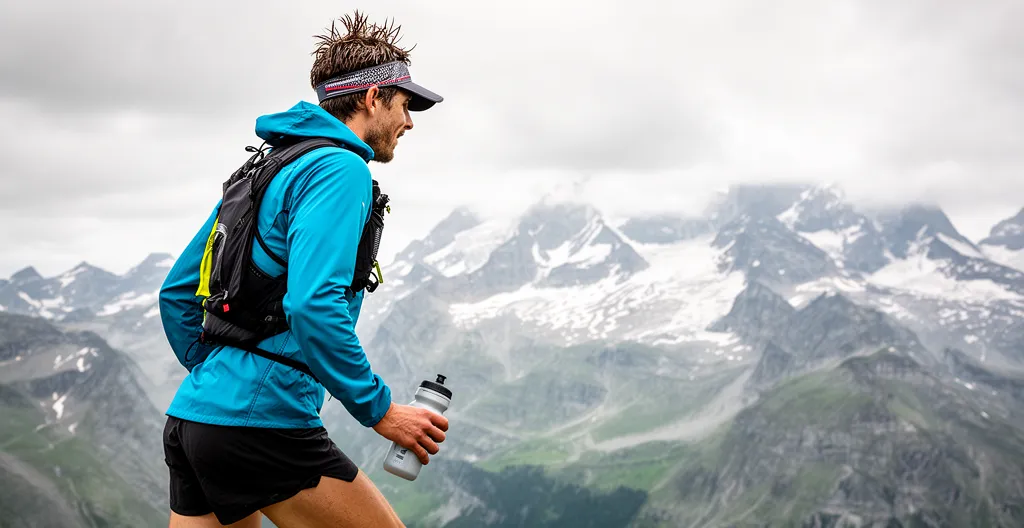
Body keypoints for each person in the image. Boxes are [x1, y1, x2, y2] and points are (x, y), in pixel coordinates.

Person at [157, 11, 446, 528]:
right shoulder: (340, 168)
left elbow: (177, 292)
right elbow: (313, 304)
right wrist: (382, 412)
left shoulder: (267, 165)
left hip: (195, 420)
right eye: (404, 105)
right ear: (372, 98)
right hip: (262, 426)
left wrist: (219, 378)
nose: (409, 122)